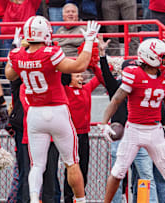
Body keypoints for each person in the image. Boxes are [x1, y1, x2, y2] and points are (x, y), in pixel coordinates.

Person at [4, 15, 100, 203]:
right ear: (45, 33)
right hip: (57, 111)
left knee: (37, 165)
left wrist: (15, 50)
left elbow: (9, 74)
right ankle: (81, 200)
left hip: (34, 114)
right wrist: (88, 42)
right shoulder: (50, 52)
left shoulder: (18, 55)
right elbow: (79, 65)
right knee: (72, 162)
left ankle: (33, 199)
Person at [101, 38, 165, 203]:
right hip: (134, 129)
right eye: (162, 56)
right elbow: (116, 99)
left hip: (155, 130)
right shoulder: (134, 73)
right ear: (151, 57)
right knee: (118, 171)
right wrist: (104, 123)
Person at [61, 40, 105, 203]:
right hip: (70, 135)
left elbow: (100, 79)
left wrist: (93, 65)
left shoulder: (86, 89)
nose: (81, 78)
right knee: (71, 168)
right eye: (77, 75)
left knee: (84, 168)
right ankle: (67, 198)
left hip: (84, 135)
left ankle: (80, 197)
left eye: (81, 75)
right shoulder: (65, 91)